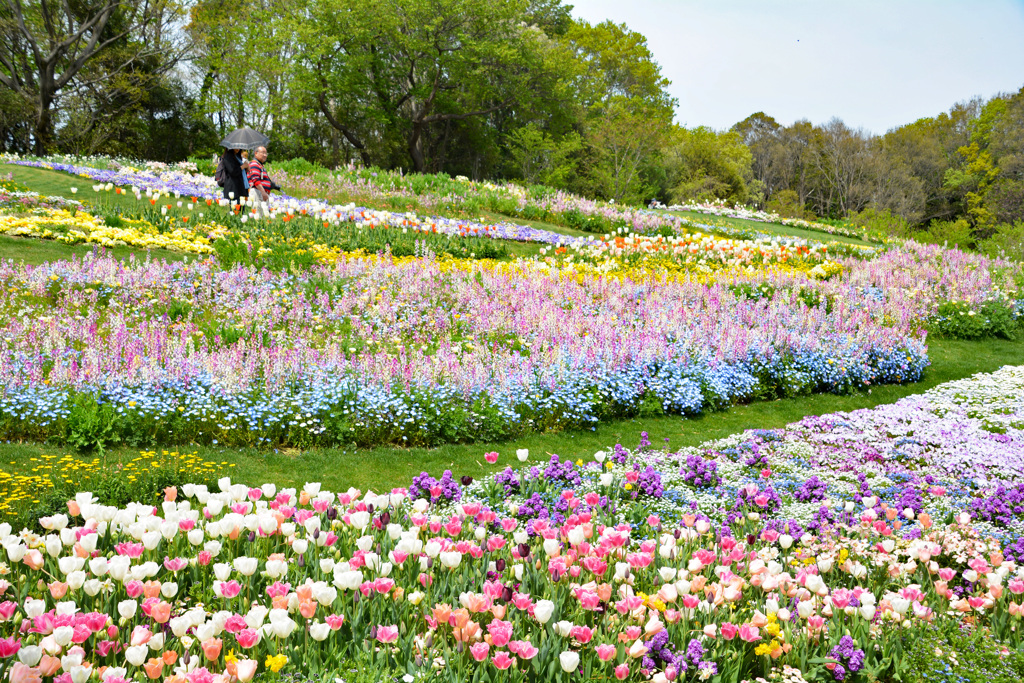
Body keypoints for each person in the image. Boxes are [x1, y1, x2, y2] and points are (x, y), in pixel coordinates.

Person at [247, 146, 272, 218]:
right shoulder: (254, 164)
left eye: (266, 153)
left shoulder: (259, 165)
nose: (265, 155)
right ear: (256, 153)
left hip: (261, 193)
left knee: (262, 216)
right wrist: (263, 192)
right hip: (257, 192)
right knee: (258, 215)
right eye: (263, 153)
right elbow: (256, 180)